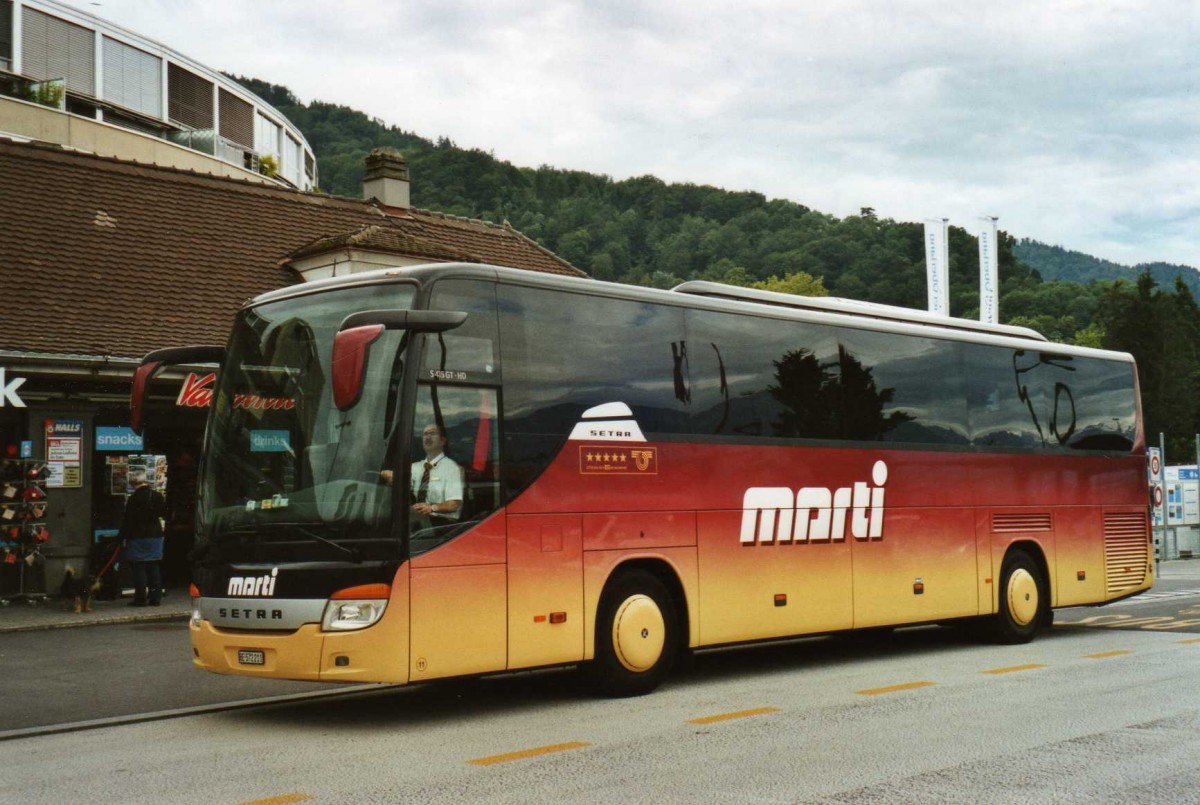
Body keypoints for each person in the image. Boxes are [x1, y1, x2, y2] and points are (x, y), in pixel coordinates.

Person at [119, 468, 166, 607]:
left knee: (138, 567)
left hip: (137, 536)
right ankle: (155, 598)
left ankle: (140, 598)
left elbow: (128, 520)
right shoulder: (157, 496)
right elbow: (163, 513)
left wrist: (121, 537)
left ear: (132, 483)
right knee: (153, 565)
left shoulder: (133, 499)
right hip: (155, 535)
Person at [408, 423, 463, 526]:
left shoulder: (451, 468)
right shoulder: (414, 467)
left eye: (432, 433)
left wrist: (431, 508)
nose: (428, 437)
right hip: (417, 520)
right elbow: (399, 483)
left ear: (442, 441)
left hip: (441, 524)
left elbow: (454, 504)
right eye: (425, 434)